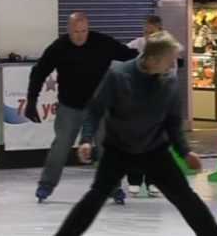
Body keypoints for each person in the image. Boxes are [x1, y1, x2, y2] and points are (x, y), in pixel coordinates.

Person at [36, 32, 217, 236]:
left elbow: (173, 123)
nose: (173, 66)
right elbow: (95, 110)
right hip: (118, 149)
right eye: (170, 60)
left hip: (154, 150)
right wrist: (87, 140)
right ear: (153, 59)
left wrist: (185, 152)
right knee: (92, 202)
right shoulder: (118, 75)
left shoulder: (169, 83)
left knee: (187, 200)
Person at [25, 12, 138, 203]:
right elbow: (39, 72)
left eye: (84, 31)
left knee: (106, 147)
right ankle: (46, 185)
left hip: (101, 107)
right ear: (69, 30)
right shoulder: (59, 47)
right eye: (76, 31)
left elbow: (130, 56)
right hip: (70, 107)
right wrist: (31, 101)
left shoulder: (102, 42)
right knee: (61, 146)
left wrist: (159, 62)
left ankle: (112, 186)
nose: (80, 36)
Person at [126, 15, 165, 197]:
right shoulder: (135, 46)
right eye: (145, 32)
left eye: (151, 33)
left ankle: (153, 181)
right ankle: (134, 179)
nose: (147, 36)